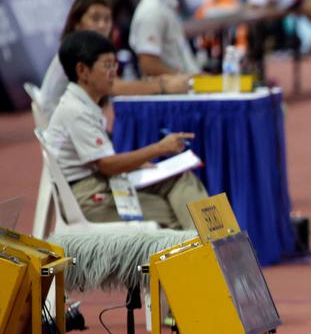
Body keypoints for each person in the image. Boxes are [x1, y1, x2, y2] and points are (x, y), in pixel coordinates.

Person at [45, 30, 208, 230]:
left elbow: (104, 164)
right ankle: (208, 242)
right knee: (174, 215)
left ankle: (214, 241)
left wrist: (137, 163)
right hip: (88, 197)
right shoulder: (75, 110)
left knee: (181, 179)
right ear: (82, 70)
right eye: (107, 65)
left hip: (100, 183)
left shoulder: (83, 104)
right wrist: (159, 148)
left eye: (114, 65)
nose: (114, 72)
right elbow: (107, 165)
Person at [38, 0, 190, 117]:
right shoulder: (76, 49)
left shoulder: (91, 50)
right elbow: (113, 87)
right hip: (62, 125)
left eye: (107, 19)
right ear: (77, 23)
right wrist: (162, 86)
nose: (103, 25)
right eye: (95, 19)